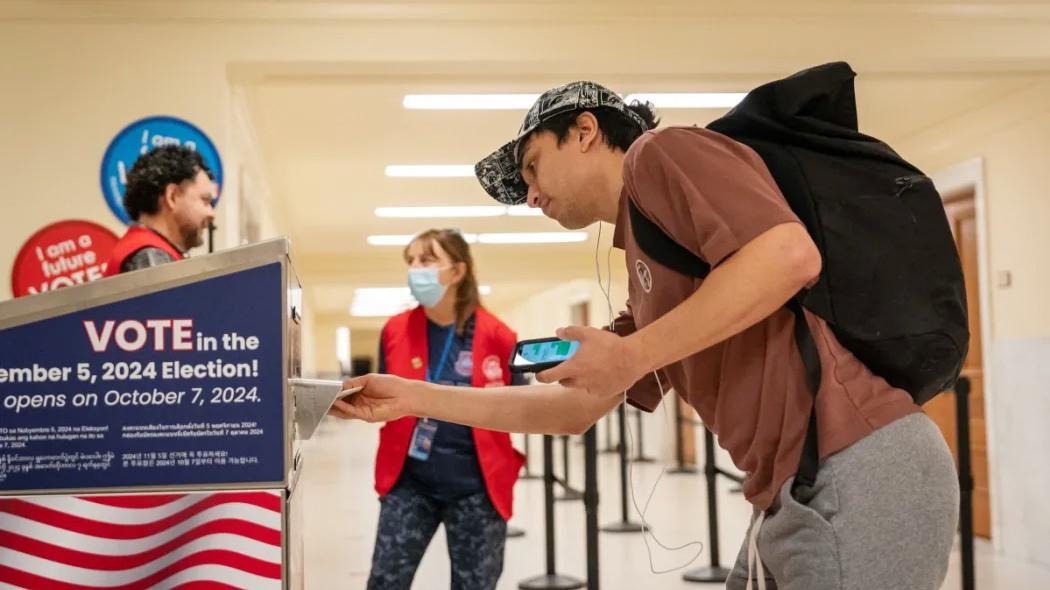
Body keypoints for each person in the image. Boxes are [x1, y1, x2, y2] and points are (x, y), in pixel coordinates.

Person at [332, 82, 958, 590]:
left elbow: (787, 256)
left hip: (857, 469)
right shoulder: (648, 265)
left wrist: (630, 354)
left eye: (531, 166)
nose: (528, 195)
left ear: (584, 131)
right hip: (787, 496)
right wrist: (414, 397)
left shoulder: (661, 155)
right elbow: (574, 410)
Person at [365, 229, 524, 590]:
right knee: (384, 581)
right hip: (410, 483)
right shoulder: (395, 331)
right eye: (412, 261)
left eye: (428, 259)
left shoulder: (499, 335)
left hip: (477, 488)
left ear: (457, 271)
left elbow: (519, 406)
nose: (416, 269)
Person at [104, 145, 217, 275]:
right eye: (205, 201)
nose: (211, 213)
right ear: (172, 196)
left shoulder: (148, 252)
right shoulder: (150, 258)